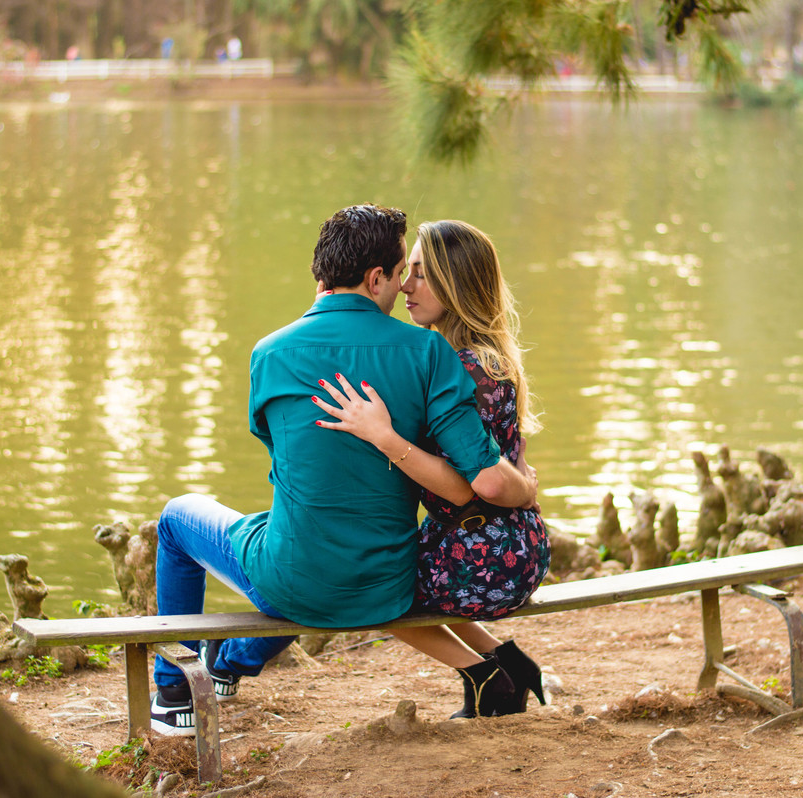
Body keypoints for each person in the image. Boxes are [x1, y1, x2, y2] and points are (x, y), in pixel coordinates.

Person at [149, 205, 539, 736]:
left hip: (296, 577)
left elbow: (277, 446)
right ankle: (231, 661)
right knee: (314, 537)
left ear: (320, 273)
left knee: (177, 519)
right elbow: (479, 476)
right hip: (387, 582)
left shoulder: (269, 352)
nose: (404, 287)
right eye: (404, 271)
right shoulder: (429, 351)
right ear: (376, 277)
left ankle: (173, 692)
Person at [315, 220, 550, 715]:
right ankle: (507, 666)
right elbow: (509, 461)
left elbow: (484, 481)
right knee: (399, 568)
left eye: (421, 274)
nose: (405, 286)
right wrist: (525, 491)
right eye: (408, 271)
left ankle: (488, 677)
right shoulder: (489, 358)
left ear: (456, 284)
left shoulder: (462, 365)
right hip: (513, 543)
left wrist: (382, 434)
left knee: (371, 586)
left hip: (483, 556)